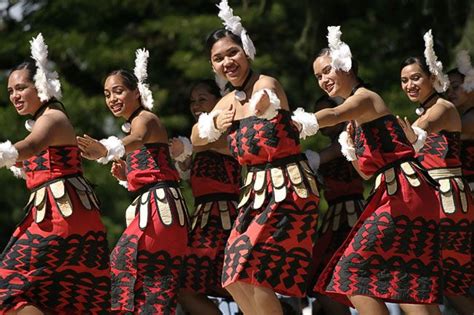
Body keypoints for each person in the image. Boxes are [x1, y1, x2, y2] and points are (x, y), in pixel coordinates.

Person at [191, 1, 320, 314]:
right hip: (255, 195)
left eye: (232, 53)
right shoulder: (225, 102)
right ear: (213, 67)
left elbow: (270, 101)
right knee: (233, 278)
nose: (227, 62)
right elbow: (195, 139)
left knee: (254, 272)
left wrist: (267, 106)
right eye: (218, 58)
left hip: (287, 189)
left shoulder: (266, 84)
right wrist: (211, 124)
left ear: (246, 51)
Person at [312, 26, 442, 315]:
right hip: (396, 192)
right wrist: (351, 150)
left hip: (405, 192)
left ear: (345, 65)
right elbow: (366, 174)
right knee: (406, 278)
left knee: (350, 270)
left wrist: (297, 123)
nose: (323, 80)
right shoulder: (354, 122)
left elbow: (332, 114)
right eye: (318, 76)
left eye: (327, 71)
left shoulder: (365, 98)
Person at [0, 34, 110, 314]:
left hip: (59, 221)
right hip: (72, 221)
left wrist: (6, 154)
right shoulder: (47, 120)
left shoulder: (52, 119)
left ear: (41, 86)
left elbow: (32, 146)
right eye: (10, 90)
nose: (14, 96)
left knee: (5, 289)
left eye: (21, 88)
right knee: (56, 302)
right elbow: (41, 161)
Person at [77, 49, 188, 314]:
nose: (112, 99)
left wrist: (105, 149)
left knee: (124, 265)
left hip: (160, 211)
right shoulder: (138, 122)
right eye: (107, 94)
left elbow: (137, 139)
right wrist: (128, 176)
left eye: (117, 91)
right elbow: (154, 167)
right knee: (149, 282)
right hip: (156, 208)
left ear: (136, 92)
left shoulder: (145, 119)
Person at [398, 35, 473, 314]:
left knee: (416, 275)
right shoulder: (433, 109)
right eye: (404, 80)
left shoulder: (442, 108)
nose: (409, 85)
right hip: (437, 204)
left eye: (416, 78)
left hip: (447, 204)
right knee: (437, 284)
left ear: (432, 77)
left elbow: (418, 131)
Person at [171, 79, 241, 315]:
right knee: (185, 286)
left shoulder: (233, 131)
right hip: (201, 224)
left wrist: (188, 147)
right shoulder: (198, 139)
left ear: (218, 101)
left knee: (239, 284)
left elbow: (221, 145)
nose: (195, 105)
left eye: (202, 99)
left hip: (228, 223)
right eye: (193, 101)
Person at [305, 95, 364, 315]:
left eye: (324, 114)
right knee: (324, 282)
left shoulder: (350, 140)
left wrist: (305, 162)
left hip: (354, 218)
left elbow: (329, 155)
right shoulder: (329, 150)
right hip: (332, 221)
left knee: (343, 278)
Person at [447, 50, 474, 195]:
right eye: (447, 89)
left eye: (455, 87)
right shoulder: (460, 116)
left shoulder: (470, 119)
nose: (450, 93)